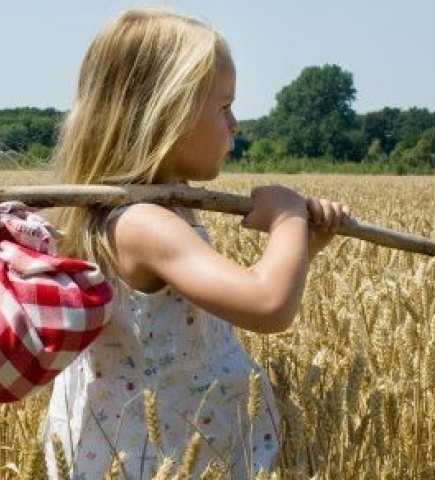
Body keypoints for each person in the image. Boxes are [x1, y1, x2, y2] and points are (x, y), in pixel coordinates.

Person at [43, 6, 349, 479]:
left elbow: (203, 309)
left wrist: (305, 246)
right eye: (223, 106)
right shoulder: (145, 224)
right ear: (168, 114)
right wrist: (288, 218)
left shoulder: (142, 214)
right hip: (155, 458)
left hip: (160, 448)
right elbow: (268, 304)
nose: (235, 125)